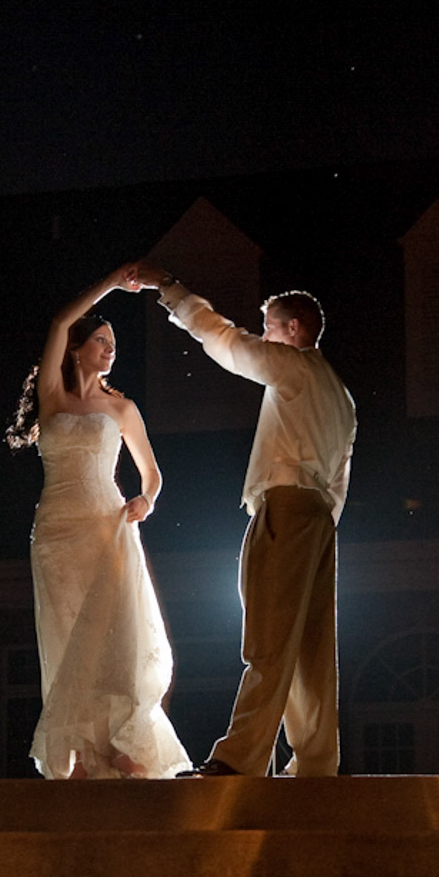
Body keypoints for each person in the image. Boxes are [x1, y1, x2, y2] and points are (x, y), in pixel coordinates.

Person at [131, 264, 356, 777]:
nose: (266, 337)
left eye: (272, 328)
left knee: (270, 637)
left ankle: (240, 759)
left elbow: (227, 341)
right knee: (312, 648)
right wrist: (320, 521)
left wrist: (171, 290)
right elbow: (341, 476)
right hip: (321, 518)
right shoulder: (341, 395)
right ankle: (316, 763)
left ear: (293, 330)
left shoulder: (293, 369)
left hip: (289, 508)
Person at [7, 267, 191, 780]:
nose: (110, 349)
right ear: (76, 348)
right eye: (101, 341)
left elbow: (152, 475)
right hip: (55, 534)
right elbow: (60, 318)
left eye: (114, 343)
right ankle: (84, 755)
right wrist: (113, 282)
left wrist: (145, 502)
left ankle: (117, 746)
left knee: (113, 638)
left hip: (106, 528)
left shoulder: (122, 408)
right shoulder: (53, 397)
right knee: (69, 639)